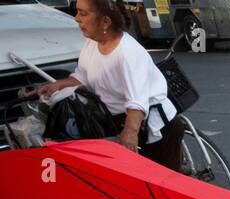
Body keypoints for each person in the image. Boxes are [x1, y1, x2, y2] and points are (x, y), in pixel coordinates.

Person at [34, 0, 183, 170]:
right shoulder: (92, 43)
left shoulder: (128, 52)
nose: (76, 18)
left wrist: (129, 135)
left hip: (153, 127)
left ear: (105, 21)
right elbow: (83, 76)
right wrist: (58, 85)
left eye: (83, 13)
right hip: (117, 120)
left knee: (161, 184)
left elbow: (137, 102)